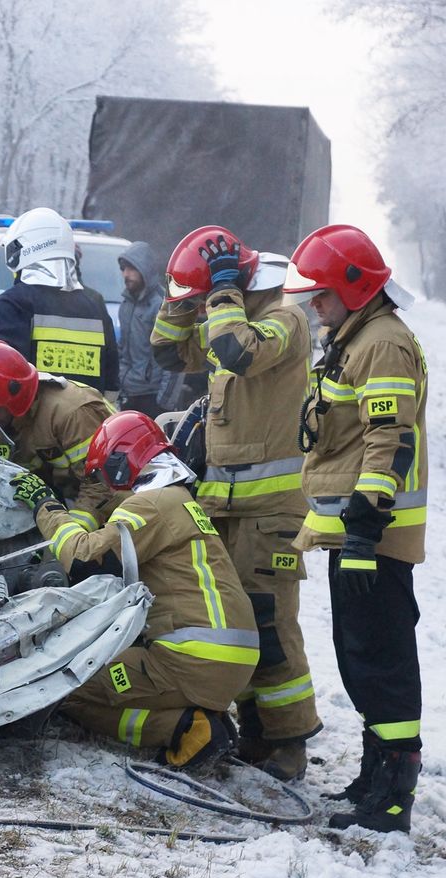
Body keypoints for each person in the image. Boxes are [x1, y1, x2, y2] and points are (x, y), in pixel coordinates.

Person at [149, 226, 322, 781]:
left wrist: (221, 293)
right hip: (226, 506)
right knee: (238, 624)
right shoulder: (230, 316)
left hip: (271, 513)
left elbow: (235, 351)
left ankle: (288, 742)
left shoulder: (284, 319)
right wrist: (188, 299)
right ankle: (255, 735)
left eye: (216, 297)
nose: (210, 308)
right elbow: (168, 353)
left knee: (271, 627)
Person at [285, 224, 426, 832]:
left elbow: (387, 442)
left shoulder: (382, 344)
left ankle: (392, 797)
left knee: (382, 662)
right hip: (356, 535)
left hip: (375, 537)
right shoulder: (356, 337)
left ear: (354, 285)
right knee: (361, 658)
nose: (313, 304)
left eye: (320, 293)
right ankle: (375, 778)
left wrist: (366, 532)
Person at [21, 410, 258, 768]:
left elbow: (87, 559)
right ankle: (202, 718)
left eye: (106, 472)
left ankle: (184, 729)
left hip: (192, 659)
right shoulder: (178, 500)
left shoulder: (151, 504)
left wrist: (46, 506)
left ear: (122, 461)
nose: (108, 484)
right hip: (221, 660)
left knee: (63, 683)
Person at [0, 340, 115, 532]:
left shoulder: (71, 414)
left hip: (115, 503)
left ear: (15, 399)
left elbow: (102, 488)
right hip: (64, 493)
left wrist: (65, 538)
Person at [0, 207, 120, 398]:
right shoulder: (95, 303)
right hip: (89, 422)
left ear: (25, 250)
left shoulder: (12, 304)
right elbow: (111, 383)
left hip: (30, 425)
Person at [115, 241, 167, 417]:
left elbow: (174, 357)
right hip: (128, 394)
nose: (125, 274)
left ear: (145, 269)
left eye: (131, 268)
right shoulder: (126, 305)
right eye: (123, 269)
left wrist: (163, 403)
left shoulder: (161, 305)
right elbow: (123, 350)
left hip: (152, 397)